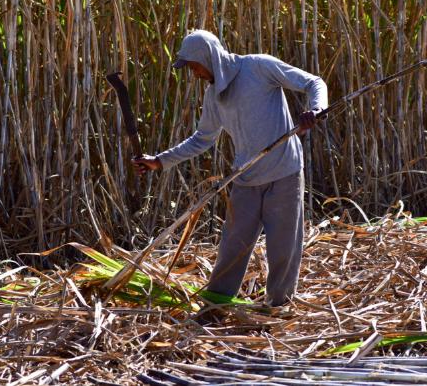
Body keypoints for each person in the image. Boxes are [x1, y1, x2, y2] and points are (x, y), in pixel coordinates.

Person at [132, 29, 327, 307]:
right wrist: (160, 161)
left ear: (208, 57)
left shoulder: (259, 67)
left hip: (284, 172)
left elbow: (314, 82)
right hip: (245, 177)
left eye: (195, 66)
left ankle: (279, 307)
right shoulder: (214, 96)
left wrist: (317, 110)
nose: (195, 74)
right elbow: (202, 139)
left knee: (283, 248)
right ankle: (217, 304)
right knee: (232, 247)